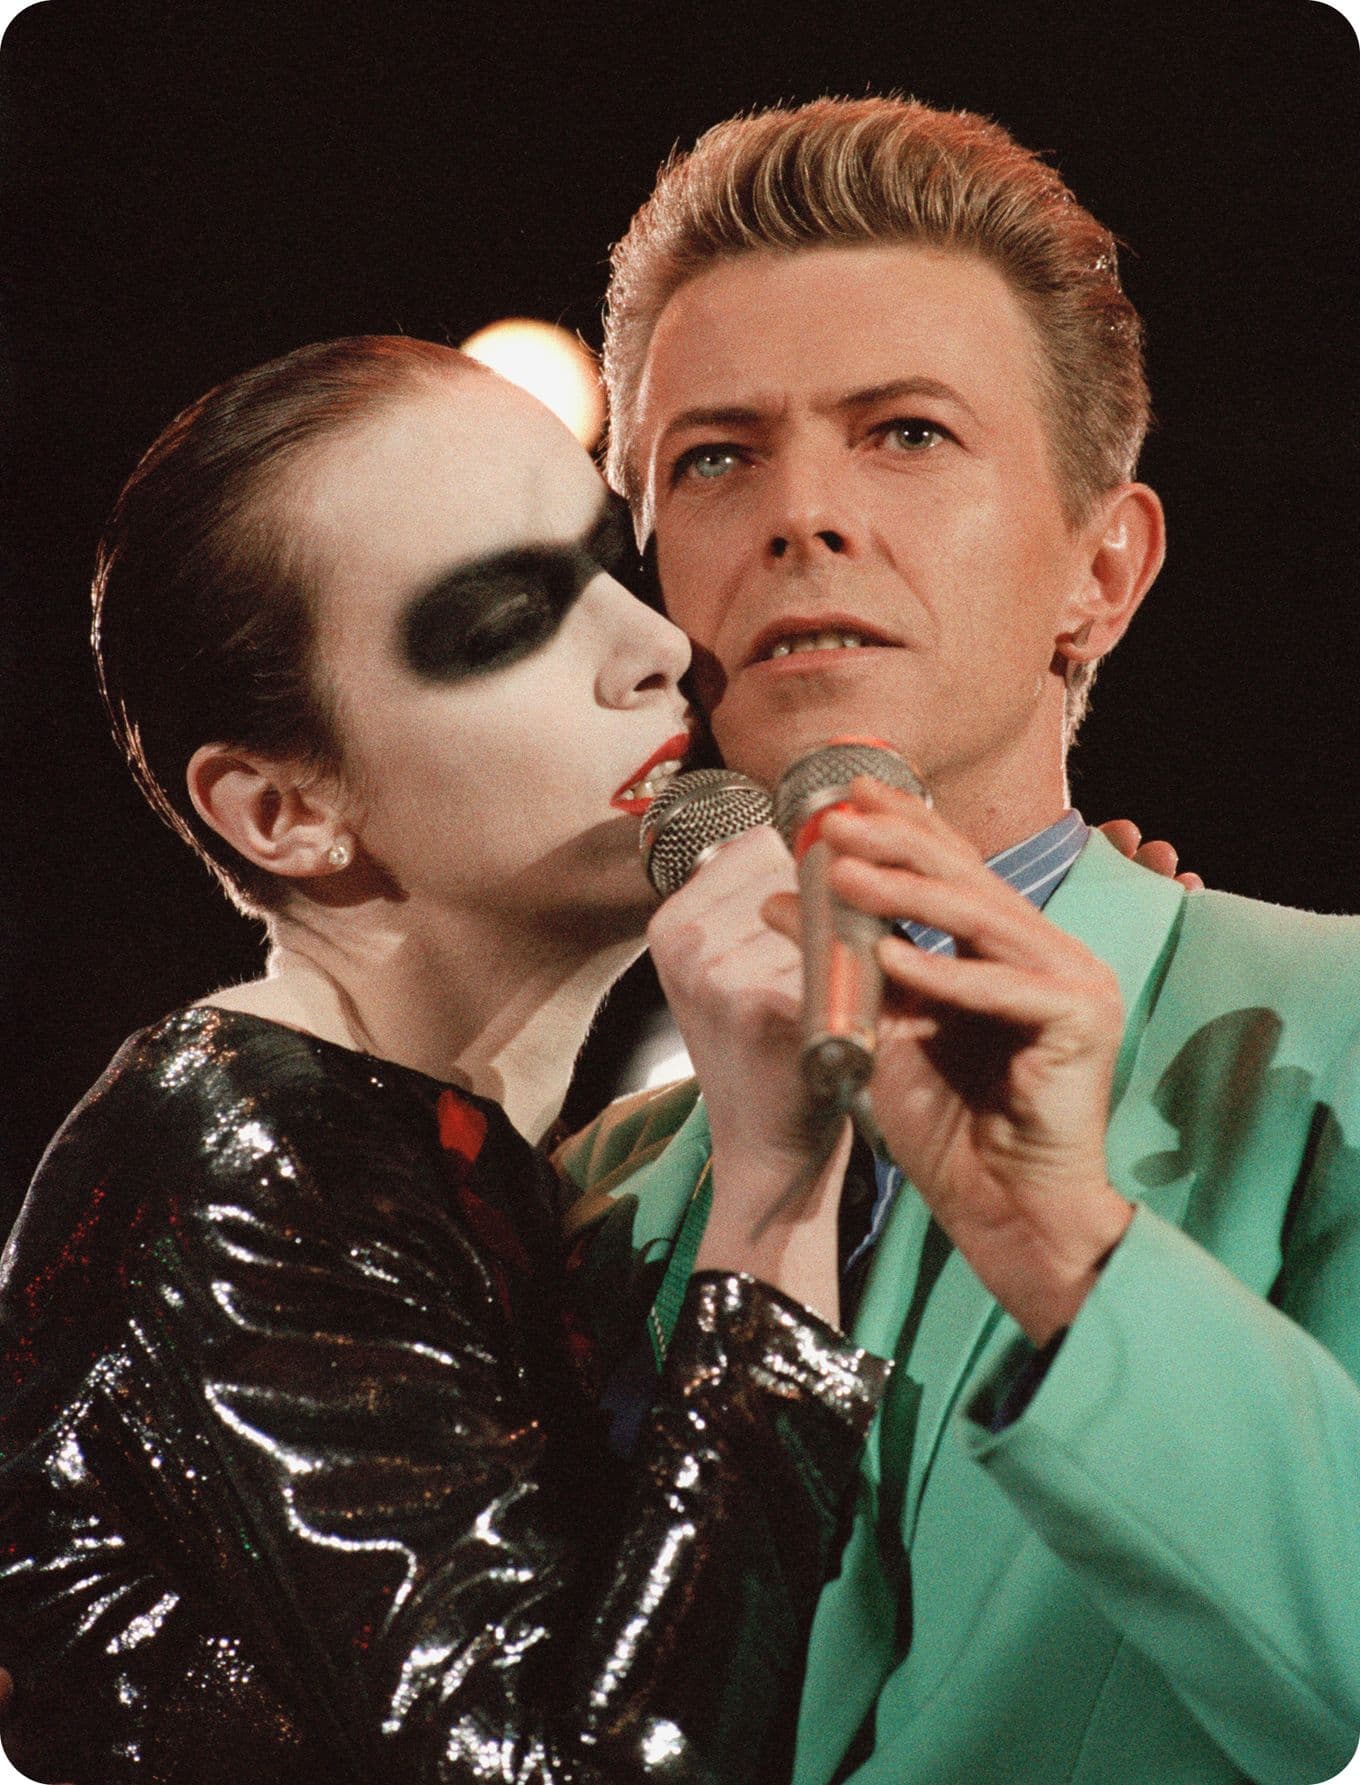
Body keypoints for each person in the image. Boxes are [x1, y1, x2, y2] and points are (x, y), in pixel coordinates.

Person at [557, 98, 1360, 1784]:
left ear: (1102, 571)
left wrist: (1065, 1239)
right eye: (714, 457)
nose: (802, 516)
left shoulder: (1333, 1040)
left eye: (906, 433)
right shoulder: (592, 1201)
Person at [0, 334, 894, 1783]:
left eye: (615, 564)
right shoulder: (249, 1157)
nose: (656, 646)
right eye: (506, 619)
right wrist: (777, 1205)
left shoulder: (464, 1162)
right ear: (285, 809)